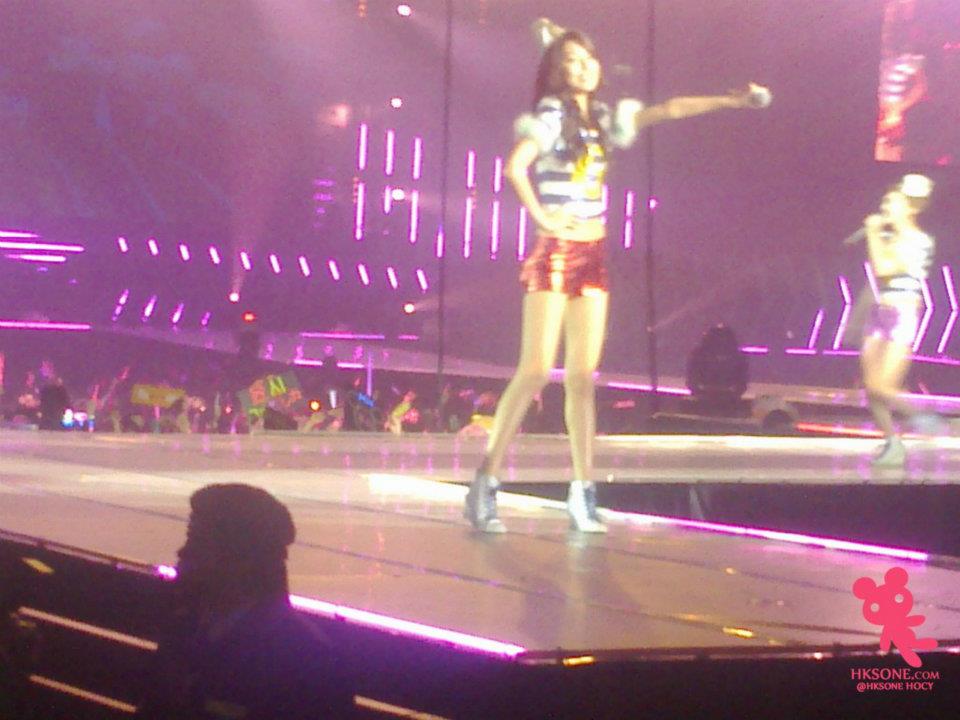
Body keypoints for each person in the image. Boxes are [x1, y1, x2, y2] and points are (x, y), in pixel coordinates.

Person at [464, 20, 772, 533]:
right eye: (571, 62)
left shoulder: (606, 119)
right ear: (558, 73)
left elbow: (668, 110)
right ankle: (486, 482)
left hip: (594, 252)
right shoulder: (550, 114)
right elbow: (515, 168)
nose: (583, 68)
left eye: (588, 59)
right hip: (556, 252)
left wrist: (730, 100)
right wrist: (543, 219)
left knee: (583, 378)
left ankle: (583, 491)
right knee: (536, 370)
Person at [142, 483, 357, 719]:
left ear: (239, 560)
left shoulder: (306, 662)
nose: (183, 552)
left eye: (198, 541)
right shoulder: (186, 628)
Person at [860, 173, 942, 466]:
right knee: (871, 387)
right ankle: (892, 443)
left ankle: (929, 420)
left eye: (891, 203)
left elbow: (884, 268)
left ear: (910, 208)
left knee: (884, 387)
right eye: (884, 202)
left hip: (901, 315)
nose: (884, 207)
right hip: (880, 313)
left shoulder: (918, 241)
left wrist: (873, 233)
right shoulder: (891, 238)